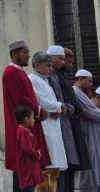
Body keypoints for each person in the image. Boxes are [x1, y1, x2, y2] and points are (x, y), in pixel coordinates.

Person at [2, 40, 50, 190]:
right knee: (22, 168)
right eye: (25, 52)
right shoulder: (10, 72)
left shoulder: (20, 72)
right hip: (20, 124)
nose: (29, 55)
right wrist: (39, 110)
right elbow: (20, 99)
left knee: (30, 168)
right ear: (14, 54)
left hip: (29, 120)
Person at [47, 46, 90, 192]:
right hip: (62, 123)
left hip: (70, 123)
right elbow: (59, 101)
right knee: (63, 165)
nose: (67, 64)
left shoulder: (60, 76)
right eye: (63, 59)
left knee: (70, 164)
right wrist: (73, 109)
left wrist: (74, 109)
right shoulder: (51, 76)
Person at [28, 52, 68, 190]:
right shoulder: (32, 79)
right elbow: (40, 101)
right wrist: (59, 106)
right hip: (45, 129)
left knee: (54, 171)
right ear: (37, 65)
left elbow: (51, 103)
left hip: (54, 128)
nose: (51, 69)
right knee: (45, 170)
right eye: (48, 65)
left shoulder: (45, 81)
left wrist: (57, 108)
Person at [73, 73, 100, 191]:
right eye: (89, 81)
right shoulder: (77, 93)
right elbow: (96, 114)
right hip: (89, 141)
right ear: (98, 98)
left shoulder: (88, 100)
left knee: (96, 177)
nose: (91, 84)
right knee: (89, 176)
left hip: (98, 145)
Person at [15, 106, 44, 192]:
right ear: (27, 119)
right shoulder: (23, 131)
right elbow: (27, 148)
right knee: (28, 188)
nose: (34, 120)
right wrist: (37, 154)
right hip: (28, 167)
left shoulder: (25, 131)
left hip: (30, 167)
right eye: (32, 118)